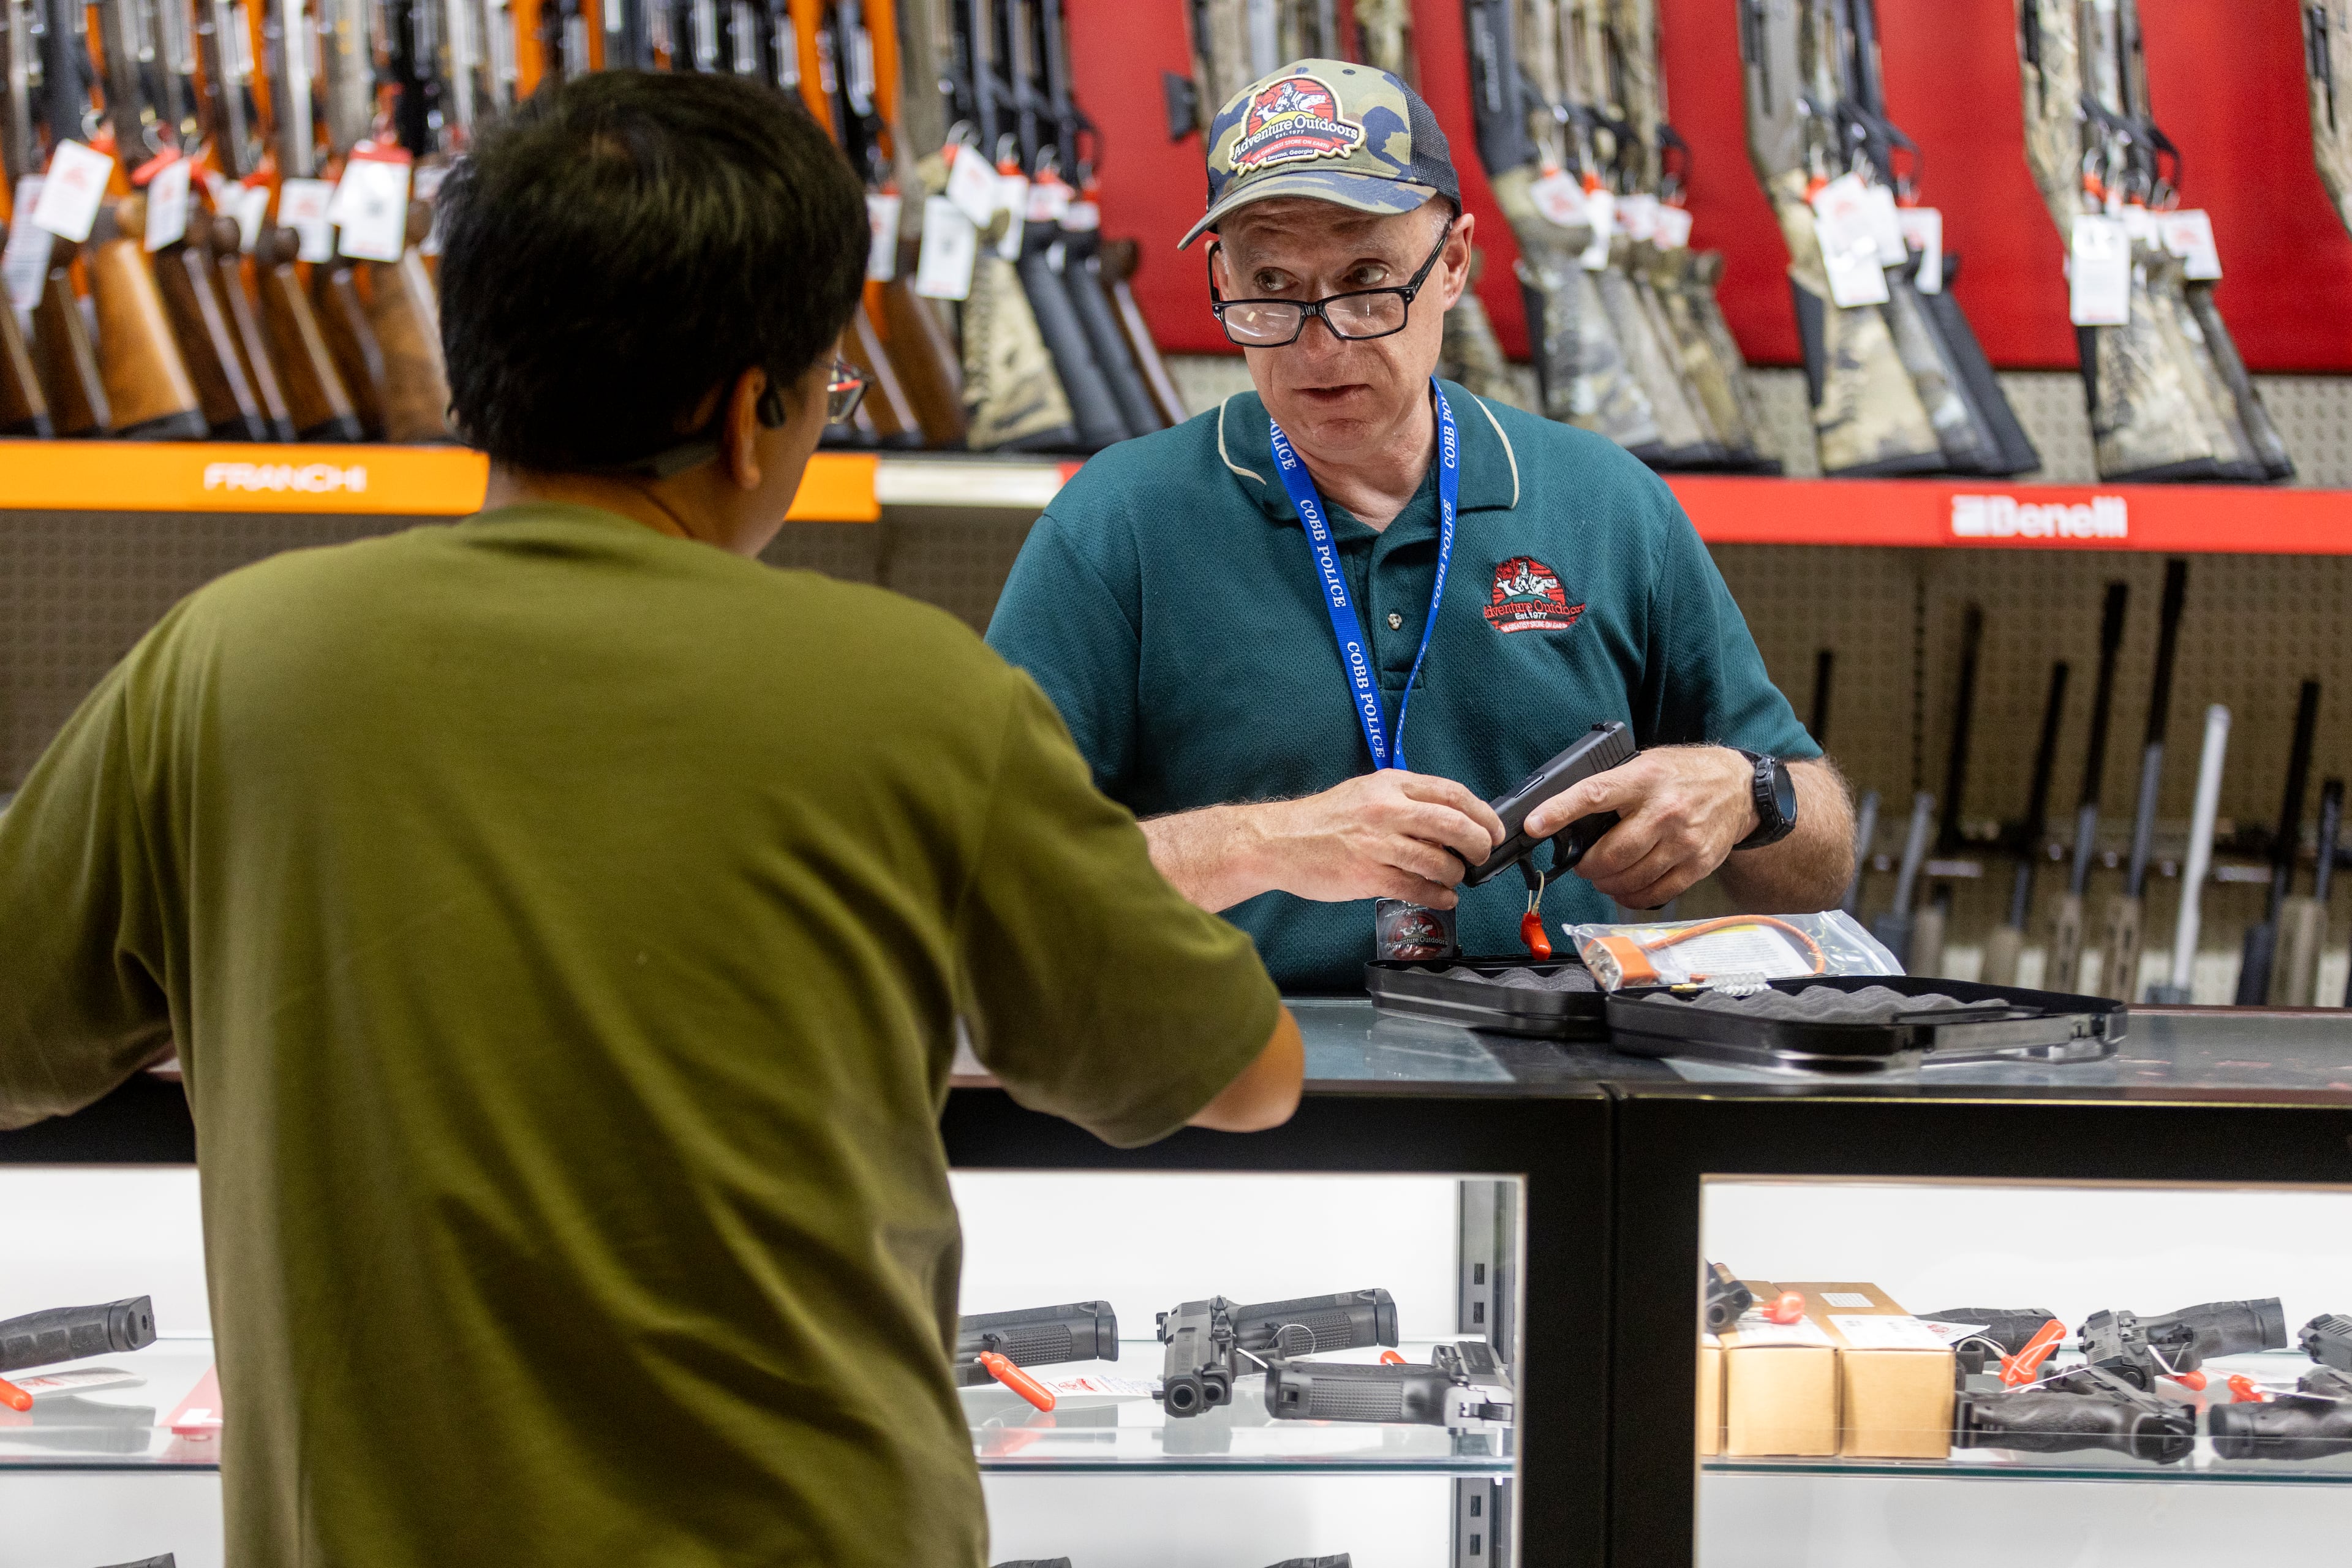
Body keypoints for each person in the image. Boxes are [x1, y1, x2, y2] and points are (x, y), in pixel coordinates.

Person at [0, 73, 1300, 1568]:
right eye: (827, 390)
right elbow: (1244, 1076)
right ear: (752, 412)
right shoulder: (915, 696)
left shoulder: (229, 662)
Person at [986, 60, 1854, 990]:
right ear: (1219, 276)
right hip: (1225, 1090)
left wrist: (1748, 793)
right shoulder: (1116, 521)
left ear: (1451, 264)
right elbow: (984, 876)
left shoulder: (1607, 502)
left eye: (1367, 283)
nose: (1320, 347)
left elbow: (1823, 864)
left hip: (1548, 1096)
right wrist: (1261, 844)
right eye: (1272, 287)